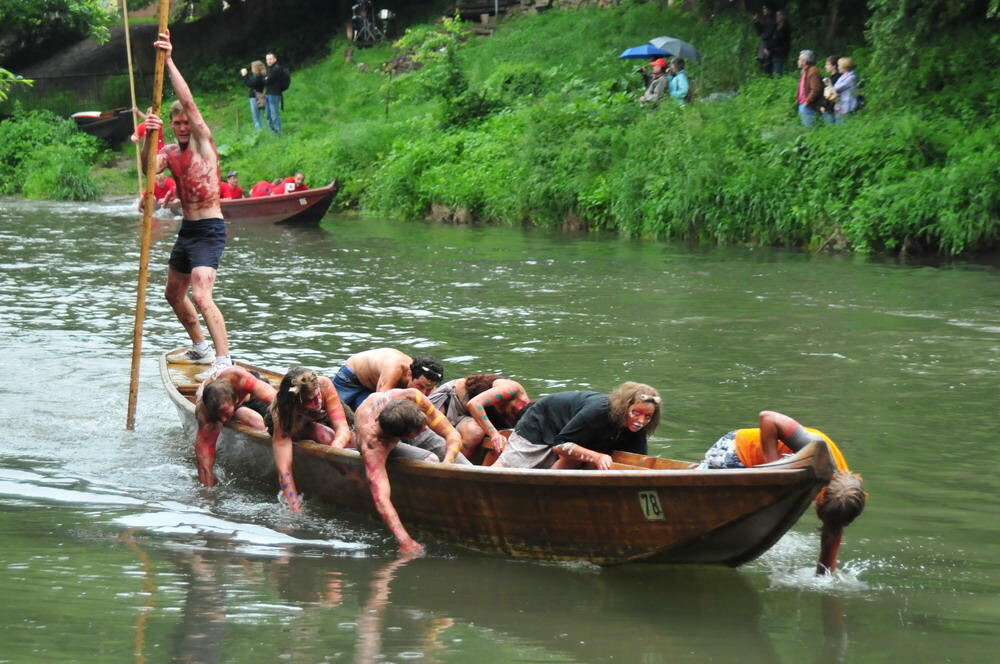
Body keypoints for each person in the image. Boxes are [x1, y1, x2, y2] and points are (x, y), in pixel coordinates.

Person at [143, 31, 233, 377]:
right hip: (188, 230)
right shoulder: (169, 153)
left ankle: (224, 361)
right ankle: (200, 346)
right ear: (171, 125)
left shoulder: (203, 144)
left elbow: (189, 102)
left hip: (210, 229)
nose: (182, 127)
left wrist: (168, 60)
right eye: (176, 123)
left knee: (201, 295)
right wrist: (149, 136)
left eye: (186, 123)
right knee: (172, 294)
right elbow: (148, 170)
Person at [696, 410, 867, 574]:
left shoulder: (842, 498)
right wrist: (774, 469)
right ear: (821, 496)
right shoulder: (814, 447)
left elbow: (833, 530)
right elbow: (768, 418)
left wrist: (824, 575)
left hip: (752, 471)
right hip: (732, 452)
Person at [353, 388, 469, 554]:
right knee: (430, 461)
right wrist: (405, 541)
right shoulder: (374, 444)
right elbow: (381, 499)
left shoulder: (413, 397)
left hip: (407, 424)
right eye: (421, 429)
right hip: (389, 436)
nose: (426, 428)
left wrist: (448, 462)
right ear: (406, 436)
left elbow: (452, 434)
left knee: (465, 468)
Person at [493, 382, 662, 470]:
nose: (641, 421)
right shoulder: (599, 411)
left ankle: (552, 490)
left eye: (647, 416)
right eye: (636, 413)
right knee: (511, 465)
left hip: (573, 435)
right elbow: (561, 445)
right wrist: (596, 457)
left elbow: (637, 460)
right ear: (625, 408)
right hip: (542, 423)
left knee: (577, 458)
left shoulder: (638, 428)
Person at [268, 367, 352, 512]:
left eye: (317, 395)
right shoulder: (284, 414)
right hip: (296, 421)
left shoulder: (324, 385)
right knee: (323, 434)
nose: (318, 401)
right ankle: (349, 475)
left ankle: (353, 475)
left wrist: (334, 449)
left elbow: (342, 427)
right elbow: (284, 469)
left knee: (353, 437)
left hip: (319, 416)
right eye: (311, 400)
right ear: (297, 401)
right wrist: (294, 505)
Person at [194, 365, 276, 486]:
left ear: (235, 400)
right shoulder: (206, 415)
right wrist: (207, 493)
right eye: (219, 416)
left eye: (225, 413)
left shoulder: (240, 378)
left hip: (249, 396)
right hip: (233, 407)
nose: (223, 420)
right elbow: (204, 467)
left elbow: (281, 403)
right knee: (253, 420)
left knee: (266, 420)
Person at [428, 373, 532, 460]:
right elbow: (474, 404)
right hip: (451, 401)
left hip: (467, 416)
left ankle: (459, 465)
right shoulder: (511, 389)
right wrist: (494, 434)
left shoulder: (525, 419)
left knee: (475, 432)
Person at [333, 348, 444, 411]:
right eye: (420, 386)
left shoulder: (428, 379)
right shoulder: (395, 368)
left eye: (428, 389)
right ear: (410, 374)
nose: (423, 392)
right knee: (330, 411)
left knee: (360, 414)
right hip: (351, 377)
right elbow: (379, 401)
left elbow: (433, 405)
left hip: (371, 388)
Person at [263, 51, 290, 135]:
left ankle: (277, 133)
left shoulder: (276, 69)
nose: (269, 61)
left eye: (270, 59)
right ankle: (273, 131)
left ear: (275, 59)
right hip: (268, 94)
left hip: (274, 94)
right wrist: (266, 79)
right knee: (268, 115)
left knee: (274, 114)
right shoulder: (271, 69)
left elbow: (267, 81)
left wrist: (266, 79)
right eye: (267, 59)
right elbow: (266, 80)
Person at [796, 49, 823, 127]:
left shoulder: (813, 71)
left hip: (808, 105)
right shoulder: (804, 71)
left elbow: (815, 89)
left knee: (809, 128)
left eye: (799, 59)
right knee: (805, 126)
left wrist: (807, 101)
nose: (798, 61)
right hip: (802, 103)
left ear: (804, 62)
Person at [240, 60, 267, 130]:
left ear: (255, 68)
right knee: (259, 114)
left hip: (255, 97)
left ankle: (259, 130)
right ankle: (262, 128)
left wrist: (245, 75)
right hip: (259, 95)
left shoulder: (258, 77)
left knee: (256, 115)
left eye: (252, 67)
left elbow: (249, 84)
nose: (251, 69)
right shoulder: (262, 76)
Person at [752, 4, 776, 75]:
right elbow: (759, 32)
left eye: (765, 9)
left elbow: (770, 33)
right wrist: (756, 22)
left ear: (770, 10)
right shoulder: (765, 20)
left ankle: (768, 76)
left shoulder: (773, 20)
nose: (764, 10)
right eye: (763, 9)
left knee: (768, 63)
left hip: (770, 44)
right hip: (764, 43)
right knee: (761, 61)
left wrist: (768, 47)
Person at [767, 10, 792, 76]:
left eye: (779, 15)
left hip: (780, 52)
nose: (777, 17)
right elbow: (770, 38)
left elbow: (785, 41)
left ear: (783, 16)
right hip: (773, 52)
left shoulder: (786, 28)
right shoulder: (775, 27)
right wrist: (768, 48)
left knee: (777, 72)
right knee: (772, 71)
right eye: (776, 15)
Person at [820, 55, 842, 124]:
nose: (825, 66)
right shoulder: (831, 78)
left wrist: (824, 106)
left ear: (834, 66)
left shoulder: (838, 78)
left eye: (827, 64)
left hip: (832, 110)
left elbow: (832, 94)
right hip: (829, 109)